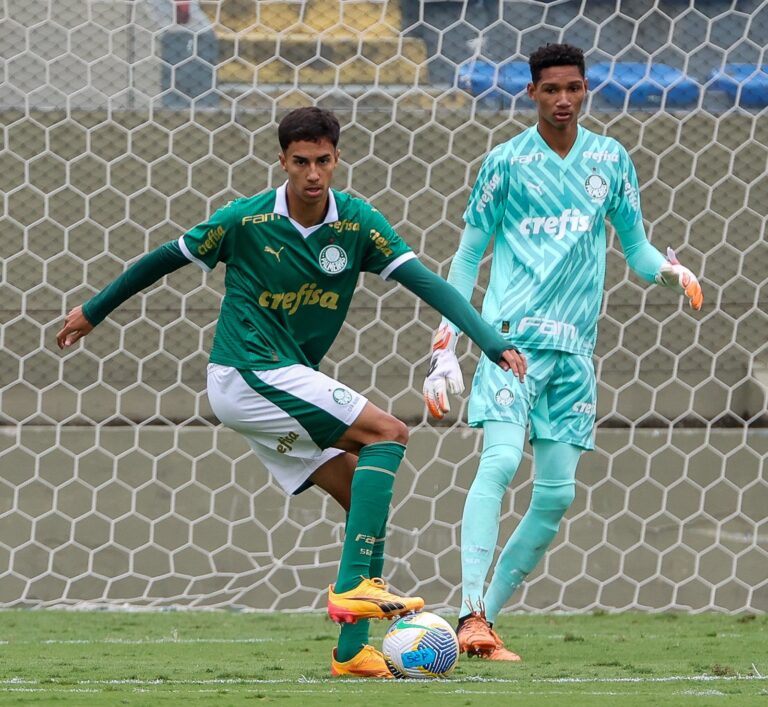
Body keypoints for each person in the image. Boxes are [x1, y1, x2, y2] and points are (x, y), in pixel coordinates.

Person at [57, 106, 527, 678]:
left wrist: (488, 340)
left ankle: (352, 653)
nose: (312, 173)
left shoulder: (356, 224)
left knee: (362, 496)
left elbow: (427, 283)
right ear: (282, 161)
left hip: (272, 386)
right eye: (300, 161)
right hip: (247, 370)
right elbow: (161, 261)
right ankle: (356, 585)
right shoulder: (246, 221)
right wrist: (92, 311)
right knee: (389, 432)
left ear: (337, 159)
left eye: (322, 161)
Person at [422, 43, 703, 662]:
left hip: (575, 353)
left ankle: (483, 624)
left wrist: (671, 273)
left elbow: (636, 248)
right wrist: (446, 345)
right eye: (551, 90)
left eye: (574, 88)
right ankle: (467, 610)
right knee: (498, 463)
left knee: (556, 496)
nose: (563, 100)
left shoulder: (611, 159)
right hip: (510, 345)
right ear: (532, 94)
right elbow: (468, 257)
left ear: (586, 90)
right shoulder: (504, 164)